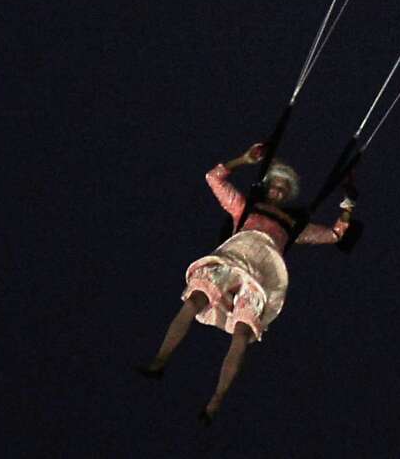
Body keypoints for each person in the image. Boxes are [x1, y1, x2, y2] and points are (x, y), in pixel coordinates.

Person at [138, 142, 355, 423]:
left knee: (242, 333)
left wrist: (348, 203)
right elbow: (213, 178)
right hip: (233, 259)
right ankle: (160, 360)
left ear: (288, 194)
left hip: (263, 273)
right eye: (274, 185)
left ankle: (216, 400)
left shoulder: (292, 225)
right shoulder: (245, 207)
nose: (277, 190)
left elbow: (335, 234)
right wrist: (243, 159)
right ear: (266, 187)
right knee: (195, 300)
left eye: (283, 188)